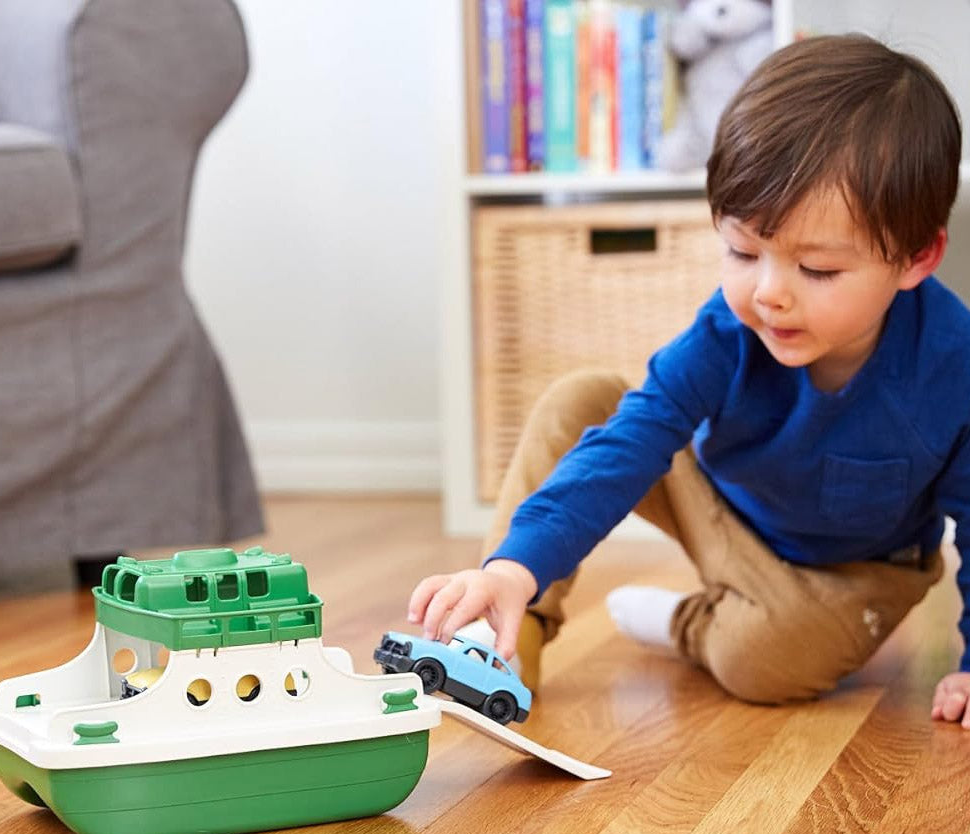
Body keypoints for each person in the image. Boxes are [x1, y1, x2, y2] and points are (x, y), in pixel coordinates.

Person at [410, 34, 970, 722]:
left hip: (850, 580)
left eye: (817, 269)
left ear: (917, 258)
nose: (769, 293)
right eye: (741, 250)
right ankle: (511, 631)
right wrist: (511, 570)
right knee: (581, 404)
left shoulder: (951, 366)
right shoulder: (728, 330)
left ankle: (687, 622)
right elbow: (638, 437)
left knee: (766, 662)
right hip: (722, 515)